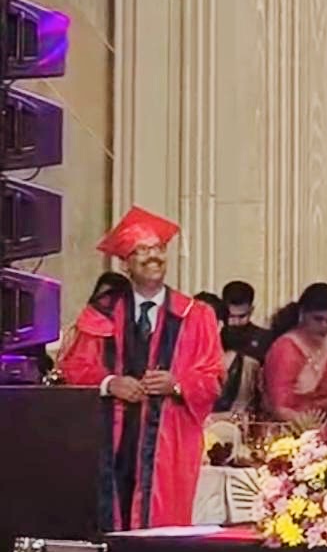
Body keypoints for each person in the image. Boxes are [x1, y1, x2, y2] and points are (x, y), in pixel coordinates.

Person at [58, 207, 224, 530]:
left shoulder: (196, 315)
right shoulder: (102, 312)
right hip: (110, 436)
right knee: (108, 521)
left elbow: (213, 377)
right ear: (125, 263)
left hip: (169, 441)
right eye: (142, 250)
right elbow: (74, 366)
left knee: (162, 526)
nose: (154, 256)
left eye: (159, 248)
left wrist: (177, 384)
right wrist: (110, 382)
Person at [262, 282, 327, 421]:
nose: (324, 326)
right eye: (318, 319)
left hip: (325, 426)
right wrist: (315, 428)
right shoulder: (285, 348)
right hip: (289, 428)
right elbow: (279, 408)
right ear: (302, 314)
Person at [220, 280, 269, 361]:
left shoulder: (264, 339)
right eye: (231, 316)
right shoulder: (213, 338)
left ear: (251, 310)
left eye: (242, 316)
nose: (236, 322)